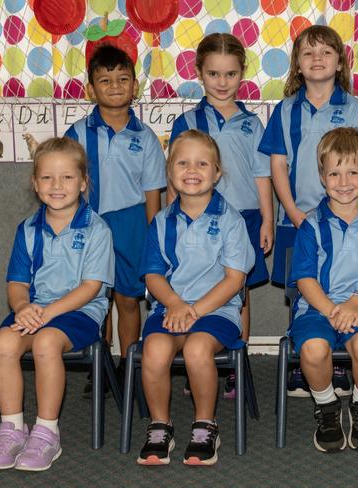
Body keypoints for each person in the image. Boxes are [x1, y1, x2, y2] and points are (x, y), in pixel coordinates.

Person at [259, 25, 358, 397]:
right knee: (301, 291)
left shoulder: (353, 107)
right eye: (308, 53)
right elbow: (277, 165)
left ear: (339, 62)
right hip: (297, 218)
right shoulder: (286, 109)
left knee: (343, 283)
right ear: (296, 64)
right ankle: (306, 362)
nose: (317, 59)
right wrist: (297, 214)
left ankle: (341, 365)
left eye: (326, 52)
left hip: (346, 216)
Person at [0, 137, 114, 471]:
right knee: (4, 342)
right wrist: (23, 305)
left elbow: (91, 287)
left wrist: (46, 315)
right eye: (47, 177)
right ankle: (12, 429)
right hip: (36, 308)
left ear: (83, 183)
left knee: (45, 342)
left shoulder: (97, 229)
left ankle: (46, 432)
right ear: (34, 184)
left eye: (67, 177)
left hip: (79, 312)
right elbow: (16, 283)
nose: (57, 185)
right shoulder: (27, 229)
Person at [136, 130, 254, 466]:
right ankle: (160, 425)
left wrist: (196, 310)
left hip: (218, 309)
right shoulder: (161, 221)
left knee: (196, 349)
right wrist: (174, 304)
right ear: (170, 172)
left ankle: (205, 425)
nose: (192, 170)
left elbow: (235, 280)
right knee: (155, 350)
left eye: (202, 163)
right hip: (170, 307)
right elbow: (153, 275)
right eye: (183, 163)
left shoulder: (231, 220)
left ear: (217, 172)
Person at [170, 33, 272, 399]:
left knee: (239, 294)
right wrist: (172, 220)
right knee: (192, 287)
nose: (222, 82)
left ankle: (234, 368)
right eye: (214, 74)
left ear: (242, 73)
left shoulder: (252, 123)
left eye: (230, 74)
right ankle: (194, 360)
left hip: (243, 219)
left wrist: (267, 220)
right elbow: (174, 175)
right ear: (200, 73)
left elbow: (263, 175)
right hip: (196, 221)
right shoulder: (188, 121)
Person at [65, 45, 167, 388]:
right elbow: (65, 185)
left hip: (133, 225)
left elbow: (154, 192)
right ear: (90, 89)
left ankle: (129, 362)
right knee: (95, 296)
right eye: (104, 80)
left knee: (127, 298)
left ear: (135, 86)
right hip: (90, 224)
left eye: (123, 79)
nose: (114, 86)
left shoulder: (146, 137)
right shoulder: (77, 134)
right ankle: (100, 361)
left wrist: (153, 238)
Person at [290, 127, 358, 452]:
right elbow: (305, 280)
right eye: (334, 173)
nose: (344, 181)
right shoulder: (310, 225)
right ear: (322, 177)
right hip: (317, 309)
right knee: (314, 350)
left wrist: (355, 304)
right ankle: (327, 406)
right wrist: (332, 310)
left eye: (352, 172)